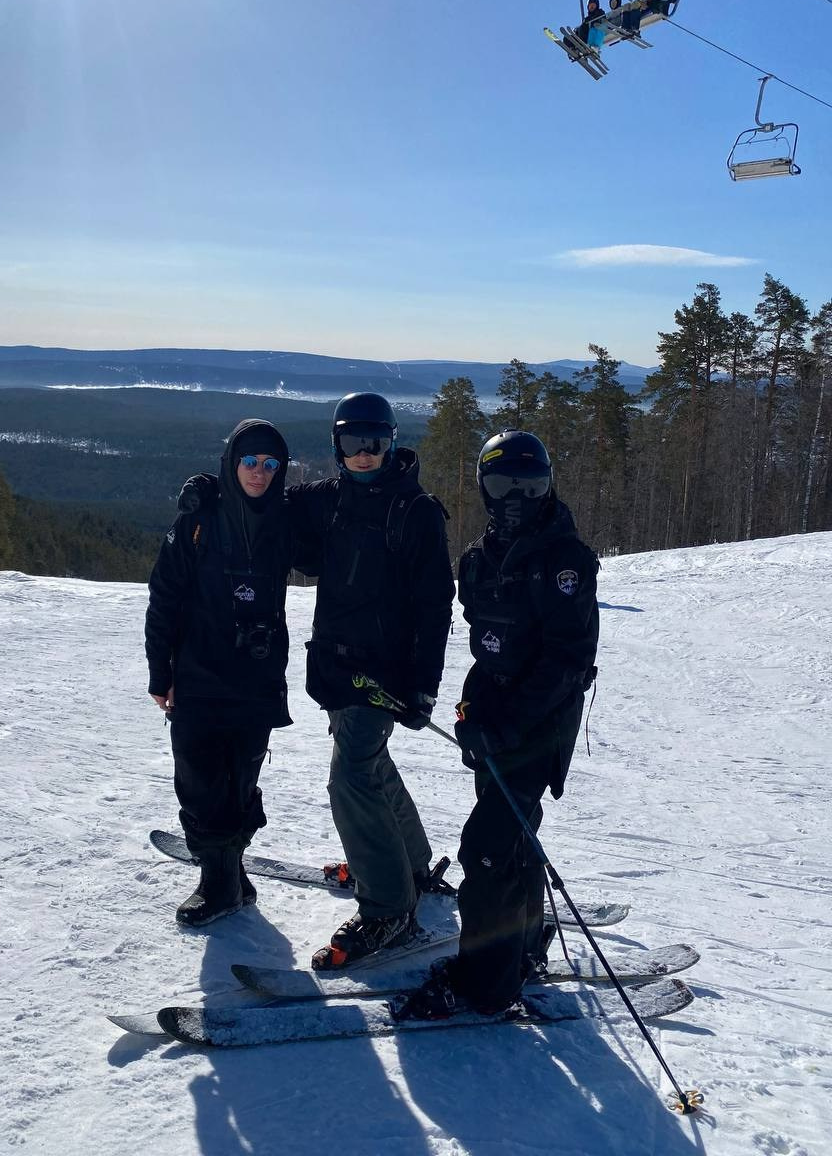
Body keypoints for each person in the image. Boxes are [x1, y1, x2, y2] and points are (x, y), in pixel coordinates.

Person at [394, 430, 599, 1020]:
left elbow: (567, 661)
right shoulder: (480, 559)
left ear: (548, 485)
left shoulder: (564, 562)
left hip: (541, 724)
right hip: (499, 718)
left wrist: (506, 726)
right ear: (485, 486)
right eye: (505, 483)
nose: (518, 496)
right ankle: (524, 939)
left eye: (530, 484)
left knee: (485, 850)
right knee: (514, 835)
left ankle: (484, 984)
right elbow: (488, 651)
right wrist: (471, 710)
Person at [288, 392, 456, 968]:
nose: (364, 455)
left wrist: (423, 687)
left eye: (375, 443)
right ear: (337, 445)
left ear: (391, 443)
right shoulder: (327, 500)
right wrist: (216, 493)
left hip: (382, 674)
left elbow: (437, 606)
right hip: (335, 667)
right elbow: (263, 506)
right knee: (369, 763)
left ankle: (388, 908)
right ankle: (407, 866)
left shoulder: (415, 511)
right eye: (353, 443)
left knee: (352, 776)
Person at [144, 418, 295, 927]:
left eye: (270, 464)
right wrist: (158, 671)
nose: (259, 473)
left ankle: (230, 872)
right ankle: (219, 881)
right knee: (199, 781)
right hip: (198, 676)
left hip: (257, 678)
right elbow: (163, 597)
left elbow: (347, 507)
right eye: (249, 462)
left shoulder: (286, 518)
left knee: (240, 780)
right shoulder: (198, 520)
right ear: (231, 463)